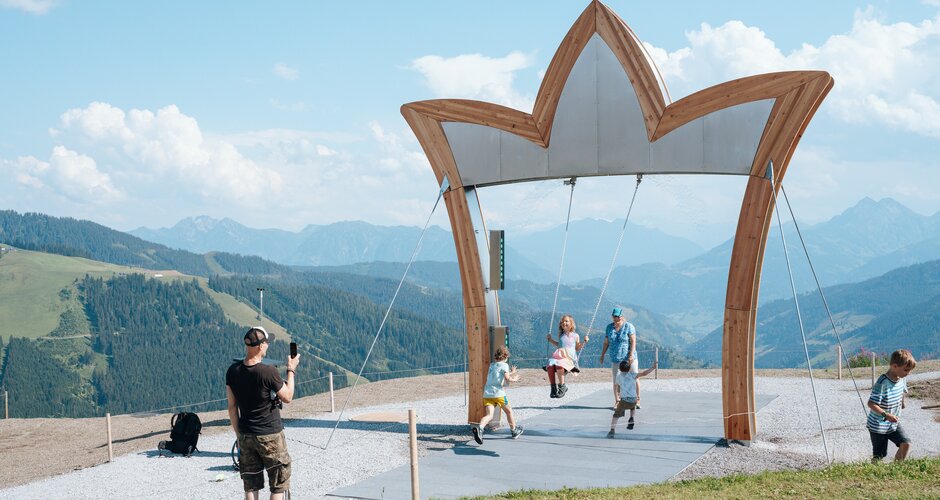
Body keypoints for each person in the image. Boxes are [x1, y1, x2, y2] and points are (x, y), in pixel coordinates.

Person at [226, 326, 300, 500]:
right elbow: (288, 396)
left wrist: (239, 435)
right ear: (260, 346)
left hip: (246, 434)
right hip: (270, 434)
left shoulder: (232, 371)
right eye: (266, 343)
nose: (267, 346)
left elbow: (231, 407)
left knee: (250, 485)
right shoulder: (268, 372)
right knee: (278, 485)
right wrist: (291, 369)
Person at [866, 349, 916, 463]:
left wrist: (902, 402)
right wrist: (886, 414)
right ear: (894, 366)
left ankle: (896, 469)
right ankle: (873, 473)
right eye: (906, 370)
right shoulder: (882, 382)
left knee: (906, 443)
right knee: (879, 456)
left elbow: (902, 390)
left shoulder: (901, 379)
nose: (908, 373)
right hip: (878, 426)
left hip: (893, 423)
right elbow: (871, 403)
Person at [472, 345, 524, 444]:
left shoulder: (492, 365)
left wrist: (511, 372)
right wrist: (515, 379)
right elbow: (507, 378)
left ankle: (480, 428)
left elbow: (499, 373)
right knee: (508, 411)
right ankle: (514, 431)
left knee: (489, 415)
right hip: (498, 393)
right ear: (505, 356)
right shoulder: (505, 365)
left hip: (487, 393)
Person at [599, 307, 638, 407]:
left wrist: (631, 354)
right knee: (616, 380)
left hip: (629, 358)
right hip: (615, 358)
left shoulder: (629, 326)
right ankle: (618, 401)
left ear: (621, 316)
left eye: (618, 316)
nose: (616, 318)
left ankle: (637, 400)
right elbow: (606, 342)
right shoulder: (609, 327)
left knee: (634, 377)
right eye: (614, 316)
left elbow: (633, 341)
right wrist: (602, 354)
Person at [608, 359, 657, 438]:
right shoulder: (633, 375)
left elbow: (616, 386)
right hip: (634, 400)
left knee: (616, 415)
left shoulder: (618, 376)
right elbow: (644, 373)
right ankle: (631, 417)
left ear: (620, 369)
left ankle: (612, 430)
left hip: (624, 400)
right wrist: (653, 368)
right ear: (630, 369)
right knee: (632, 406)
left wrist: (617, 397)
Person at [545, 314, 588, 398]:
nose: (564, 323)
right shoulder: (561, 335)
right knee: (550, 365)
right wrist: (550, 340)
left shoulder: (576, 336)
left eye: (566, 321)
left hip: (569, 359)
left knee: (559, 364)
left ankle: (562, 386)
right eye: (562, 322)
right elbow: (559, 345)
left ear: (571, 323)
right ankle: (553, 388)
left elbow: (577, 348)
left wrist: (584, 342)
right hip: (560, 356)